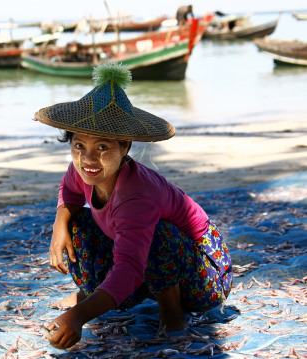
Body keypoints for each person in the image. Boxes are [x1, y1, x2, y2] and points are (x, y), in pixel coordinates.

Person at [33, 63, 232, 349]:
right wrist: (59, 226)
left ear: (124, 146)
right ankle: (89, 293)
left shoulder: (138, 196)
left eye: (102, 148)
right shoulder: (83, 170)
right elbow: (70, 192)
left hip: (202, 273)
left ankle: (171, 308)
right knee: (76, 222)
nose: (88, 159)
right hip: (148, 265)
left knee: (159, 233)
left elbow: (129, 270)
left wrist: (78, 317)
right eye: (79, 146)